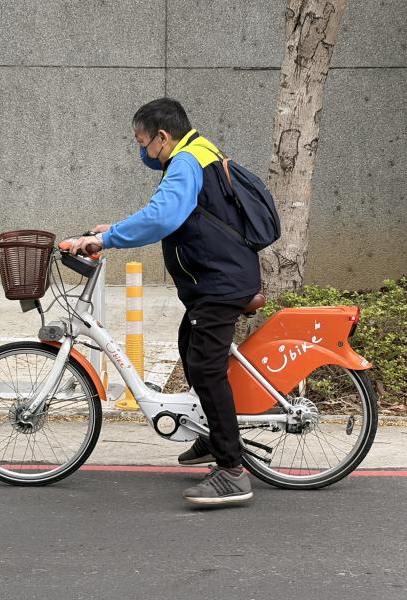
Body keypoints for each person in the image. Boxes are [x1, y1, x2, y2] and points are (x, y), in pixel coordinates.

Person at [69, 97, 260, 506]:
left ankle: (232, 470)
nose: (141, 151)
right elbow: (168, 211)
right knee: (189, 351)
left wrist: (105, 239)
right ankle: (211, 436)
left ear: (162, 136)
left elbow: (162, 217)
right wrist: (115, 228)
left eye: (142, 142)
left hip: (220, 284)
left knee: (206, 369)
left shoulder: (186, 161)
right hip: (216, 279)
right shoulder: (199, 151)